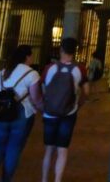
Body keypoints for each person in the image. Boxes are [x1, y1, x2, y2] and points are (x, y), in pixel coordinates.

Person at [34, 38, 89, 182]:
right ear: (74, 51)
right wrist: (79, 103)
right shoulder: (80, 69)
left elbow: (42, 87)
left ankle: (44, 179)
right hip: (68, 113)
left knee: (49, 150)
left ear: (61, 50)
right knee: (62, 150)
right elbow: (86, 91)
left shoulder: (49, 68)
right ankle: (57, 180)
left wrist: (45, 103)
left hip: (50, 113)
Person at [0, 45, 39, 182]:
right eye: (31, 56)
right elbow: (35, 97)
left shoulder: (3, 73)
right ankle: (5, 179)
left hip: (1, 115)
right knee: (13, 148)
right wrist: (41, 109)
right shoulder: (32, 74)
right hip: (21, 114)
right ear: (27, 56)